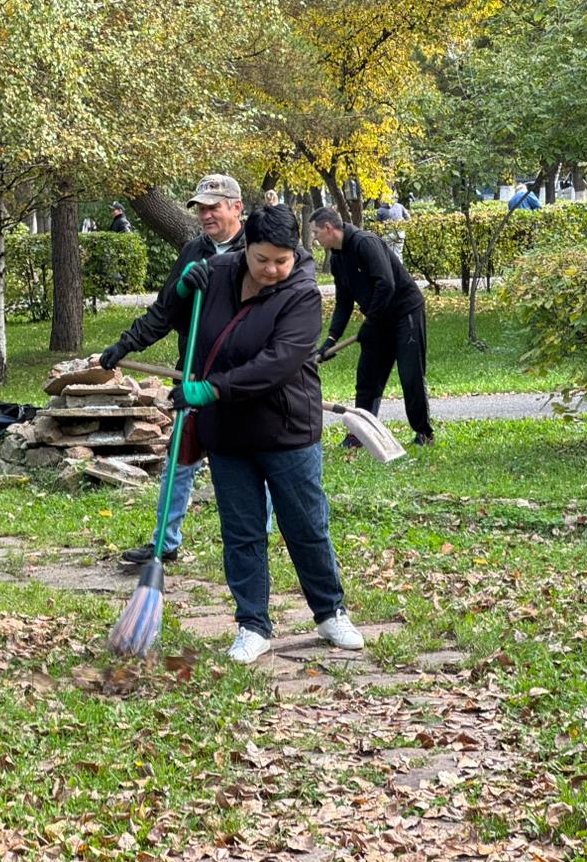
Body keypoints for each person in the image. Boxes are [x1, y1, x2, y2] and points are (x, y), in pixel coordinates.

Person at [166, 204, 365, 664]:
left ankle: (330, 612)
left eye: (283, 259)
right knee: (242, 532)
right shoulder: (216, 273)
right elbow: (171, 314)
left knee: (306, 526)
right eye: (263, 260)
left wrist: (212, 388)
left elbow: (276, 364)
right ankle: (252, 625)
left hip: (287, 431)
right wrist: (177, 294)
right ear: (246, 249)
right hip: (229, 434)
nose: (274, 269)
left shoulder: (303, 293)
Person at [94, 174, 247, 565]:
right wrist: (125, 344)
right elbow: (164, 312)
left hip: (243, 380)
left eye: (214, 207)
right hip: (194, 372)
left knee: (249, 461)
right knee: (180, 459)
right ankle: (165, 542)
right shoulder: (194, 251)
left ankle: (253, 540)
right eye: (201, 208)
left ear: (236, 208)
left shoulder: (257, 249)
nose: (206, 215)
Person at [312, 206, 435, 447]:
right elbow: (344, 302)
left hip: (404, 312)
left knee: (410, 375)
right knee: (367, 377)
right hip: (378, 319)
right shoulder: (337, 258)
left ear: (329, 228)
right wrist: (331, 339)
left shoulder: (364, 243)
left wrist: (370, 324)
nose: (315, 238)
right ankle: (362, 433)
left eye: (316, 232)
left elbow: (386, 285)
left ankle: (424, 433)